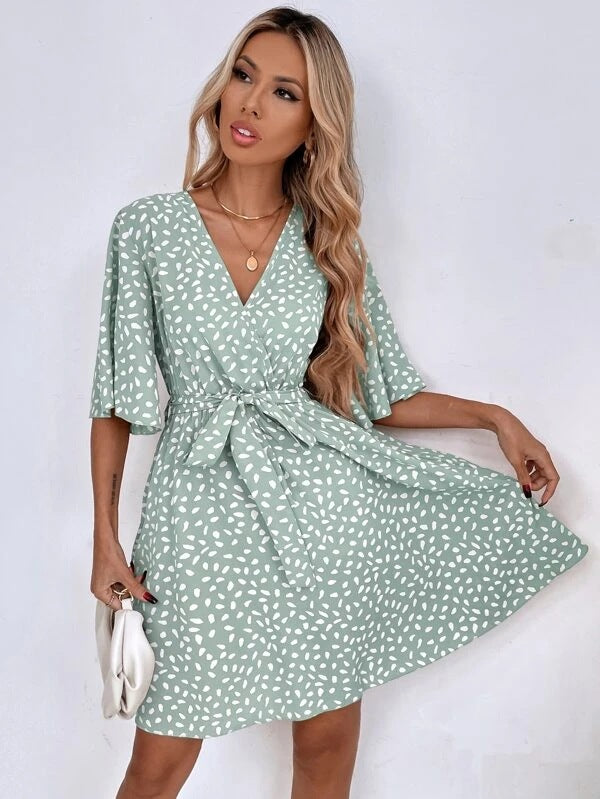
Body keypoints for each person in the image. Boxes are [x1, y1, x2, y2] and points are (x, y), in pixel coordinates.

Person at [88, 7, 589, 798]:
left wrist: (496, 418)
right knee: (160, 761)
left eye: (284, 92)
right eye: (244, 75)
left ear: (313, 124)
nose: (251, 103)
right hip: (194, 511)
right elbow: (116, 399)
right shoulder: (148, 230)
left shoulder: (328, 243)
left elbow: (374, 394)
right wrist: (105, 539)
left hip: (320, 520)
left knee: (325, 747)